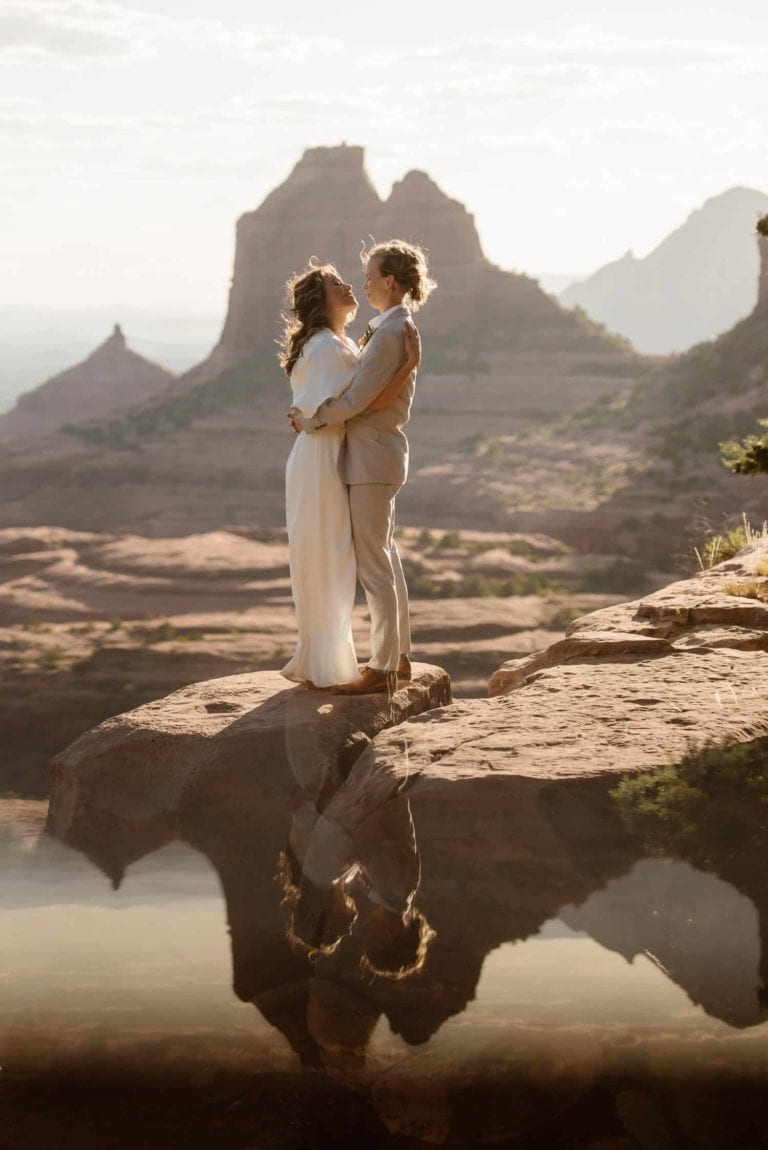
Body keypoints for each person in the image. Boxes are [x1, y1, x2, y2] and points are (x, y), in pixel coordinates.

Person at [289, 240, 436, 695]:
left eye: (370, 275)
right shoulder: (388, 328)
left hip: (371, 458)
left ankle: (384, 667)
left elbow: (357, 401)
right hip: (376, 456)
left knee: (374, 565)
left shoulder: (392, 331)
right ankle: (401, 657)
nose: (364, 282)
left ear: (390, 281)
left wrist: (311, 420)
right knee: (385, 559)